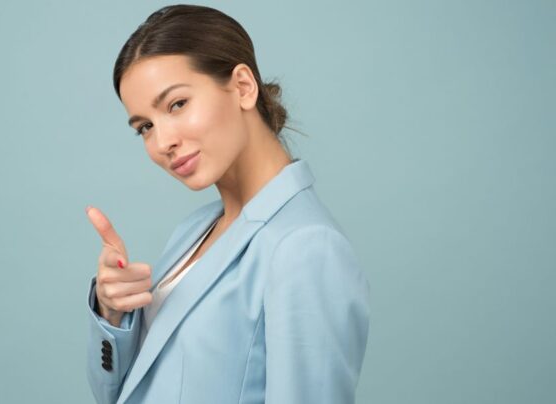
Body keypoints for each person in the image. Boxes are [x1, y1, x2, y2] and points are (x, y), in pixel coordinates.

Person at [84, 4, 369, 403]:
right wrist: (112, 312)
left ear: (243, 87)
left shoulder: (306, 247)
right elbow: (121, 394)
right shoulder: (193, 229)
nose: (163, 142)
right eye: (145, 126)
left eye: (177, 104)